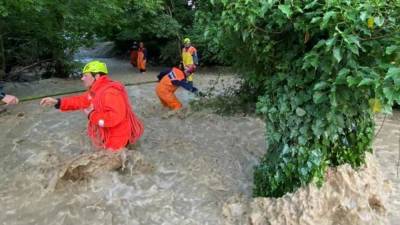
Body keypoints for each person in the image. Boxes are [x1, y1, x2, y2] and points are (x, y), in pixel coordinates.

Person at [40, 60, 144, 151]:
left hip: (118, 139)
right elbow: (79, 100)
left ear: (97, 76)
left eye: (85, 75)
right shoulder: (96, 91)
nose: (82, 78)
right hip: (112, 135)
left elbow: (115, 117)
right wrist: (57, 102)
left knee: (106, 170)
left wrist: (92, 115)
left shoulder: (110, 93)